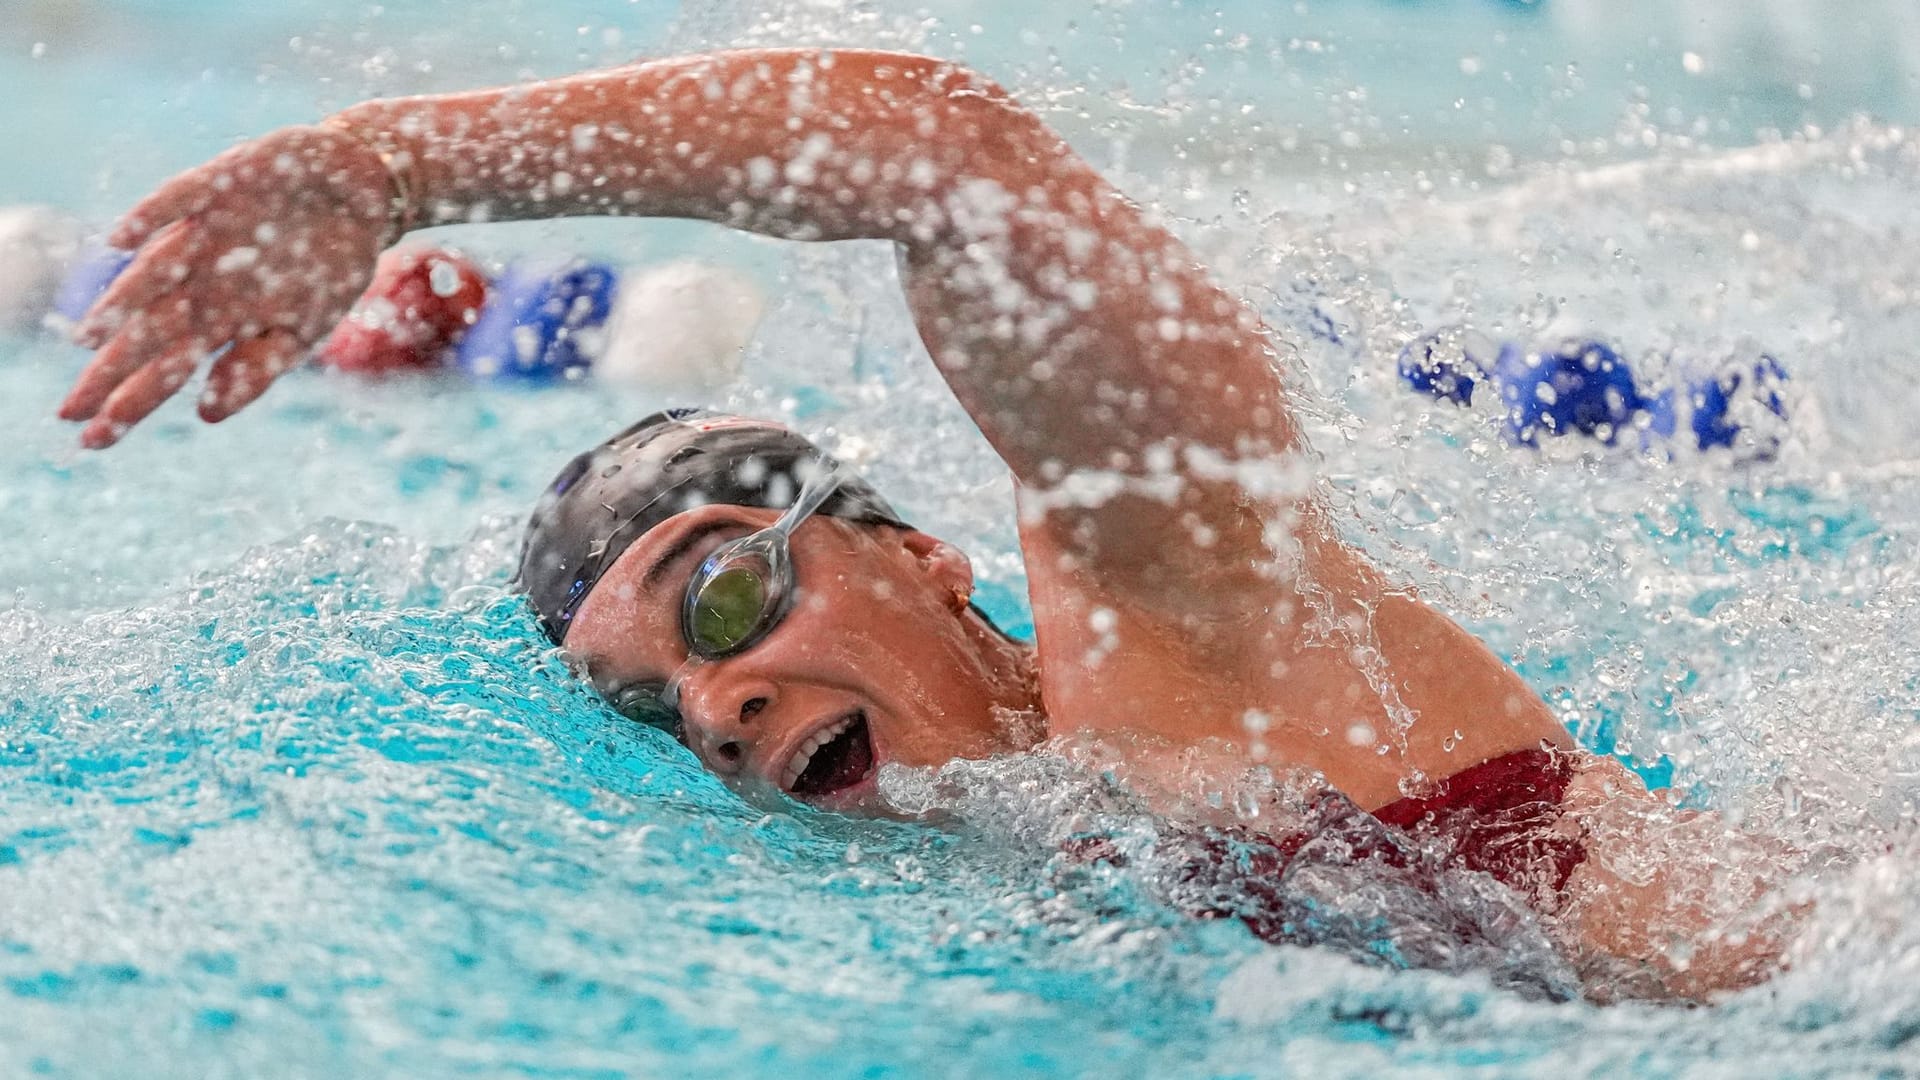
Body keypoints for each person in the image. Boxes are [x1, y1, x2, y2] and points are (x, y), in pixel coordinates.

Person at [57, 48, 1796, 999]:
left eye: (724, 600)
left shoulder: (1180, 614)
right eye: (657, 703)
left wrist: (387, 173)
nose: (715, 705)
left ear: (915, 552)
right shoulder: (1005, 880)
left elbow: (951, 158)